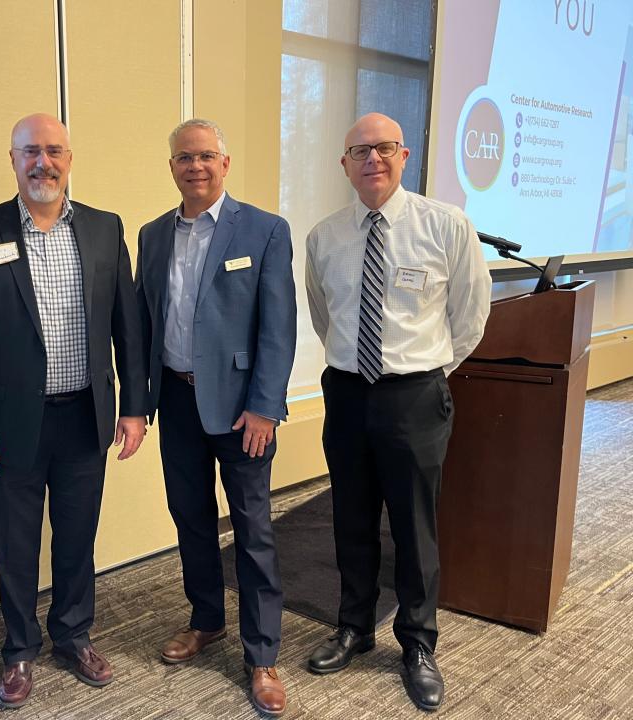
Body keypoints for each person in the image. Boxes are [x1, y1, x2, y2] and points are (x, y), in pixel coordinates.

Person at [0, 113, 147, 708]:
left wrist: (133, 408)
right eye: (30, 151)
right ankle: (19, 650)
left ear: (70, 159)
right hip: (8, 427)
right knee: (15, 543)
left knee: (78, 537)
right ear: (12, 160)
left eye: (54, 150)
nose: (43, 162)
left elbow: (126, 329)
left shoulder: (106, 230)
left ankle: (72, 635)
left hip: (85, 415)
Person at [304, 112, 491, 711]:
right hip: (347, 392)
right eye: (358, 151)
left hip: (415, 393)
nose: (371, 160)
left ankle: (417, 642)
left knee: (415, 524)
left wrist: (427, 371)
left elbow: (470, 316)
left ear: (403, 155)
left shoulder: (446, 226)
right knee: (351, 517)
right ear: (344, 164)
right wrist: (356, 370)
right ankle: (354, 628)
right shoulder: (325, 236)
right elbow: (324, 314)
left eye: (383, 148)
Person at [135, 118, 297, 716]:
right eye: (183, 157)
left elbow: (279, 329)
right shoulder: (153, 236)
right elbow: (146, 325)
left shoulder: (264, 230)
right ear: (171, 167)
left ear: (224, 164)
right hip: (176, 400)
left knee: (253, 528)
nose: (194, 166)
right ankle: (207, 619)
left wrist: (264, 407)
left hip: (240, 408)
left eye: (205, 156)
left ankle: (262, 655)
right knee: (190, 516)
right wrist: (139, 402)